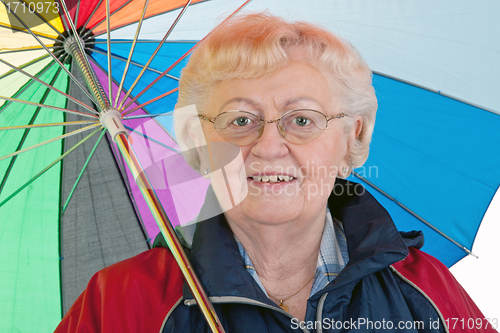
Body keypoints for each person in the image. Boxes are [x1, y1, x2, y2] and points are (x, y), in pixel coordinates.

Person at [55, 13, 495, 333]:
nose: (268, 147)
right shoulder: (119, 303)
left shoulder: (423, 291)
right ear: (196, 141)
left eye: (302, 120)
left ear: (352, 138)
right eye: (239, 121)